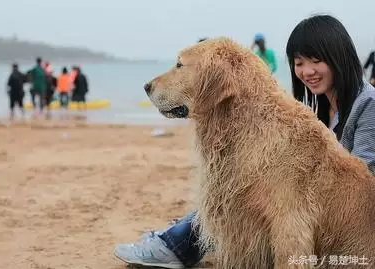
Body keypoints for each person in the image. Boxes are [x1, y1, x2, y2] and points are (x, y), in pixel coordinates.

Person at [114, 14, 375, 269]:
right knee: (231, 193)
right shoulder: (320, 101)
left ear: (339, 57)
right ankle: (176, 240)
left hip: (354, 231)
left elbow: (361, 175)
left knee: (243, 193)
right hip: (324, 222)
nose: (306, 72)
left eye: (315, 61)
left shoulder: (369, 104)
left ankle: (172, 244)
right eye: (298, 63)